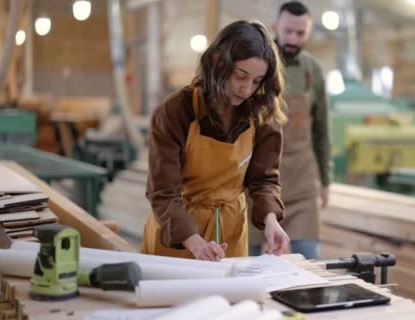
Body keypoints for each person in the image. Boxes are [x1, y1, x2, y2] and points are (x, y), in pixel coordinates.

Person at [141, 20, 290, 261]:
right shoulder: (176, 111)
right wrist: (195, 242)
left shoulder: (261, 115)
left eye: (256, 81)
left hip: (230, 231)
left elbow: (263, 180)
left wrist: (271, 220)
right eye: (241, 75)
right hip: (178, 235)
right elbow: (163, 192)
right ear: (218, 61)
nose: (246, 89)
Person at [249, 1, 332, 260]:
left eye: (301, 33)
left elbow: (321, 129)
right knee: (246, 259)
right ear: (275, 27)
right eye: (289, 32)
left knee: (309, 260)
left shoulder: (313, 71)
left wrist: (326, 181)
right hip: (257, 181)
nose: (294, 39)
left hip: (301, 183)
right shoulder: (257, 65)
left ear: (308, 32)